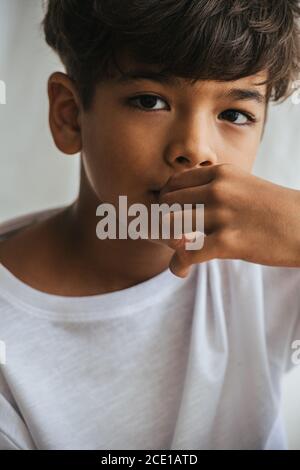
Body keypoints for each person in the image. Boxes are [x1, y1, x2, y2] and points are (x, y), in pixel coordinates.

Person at [0, 0, 300, 450]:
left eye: (234, 114)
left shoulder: (274, 257)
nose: (195, 149)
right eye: (150, 101)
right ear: (69, 115)